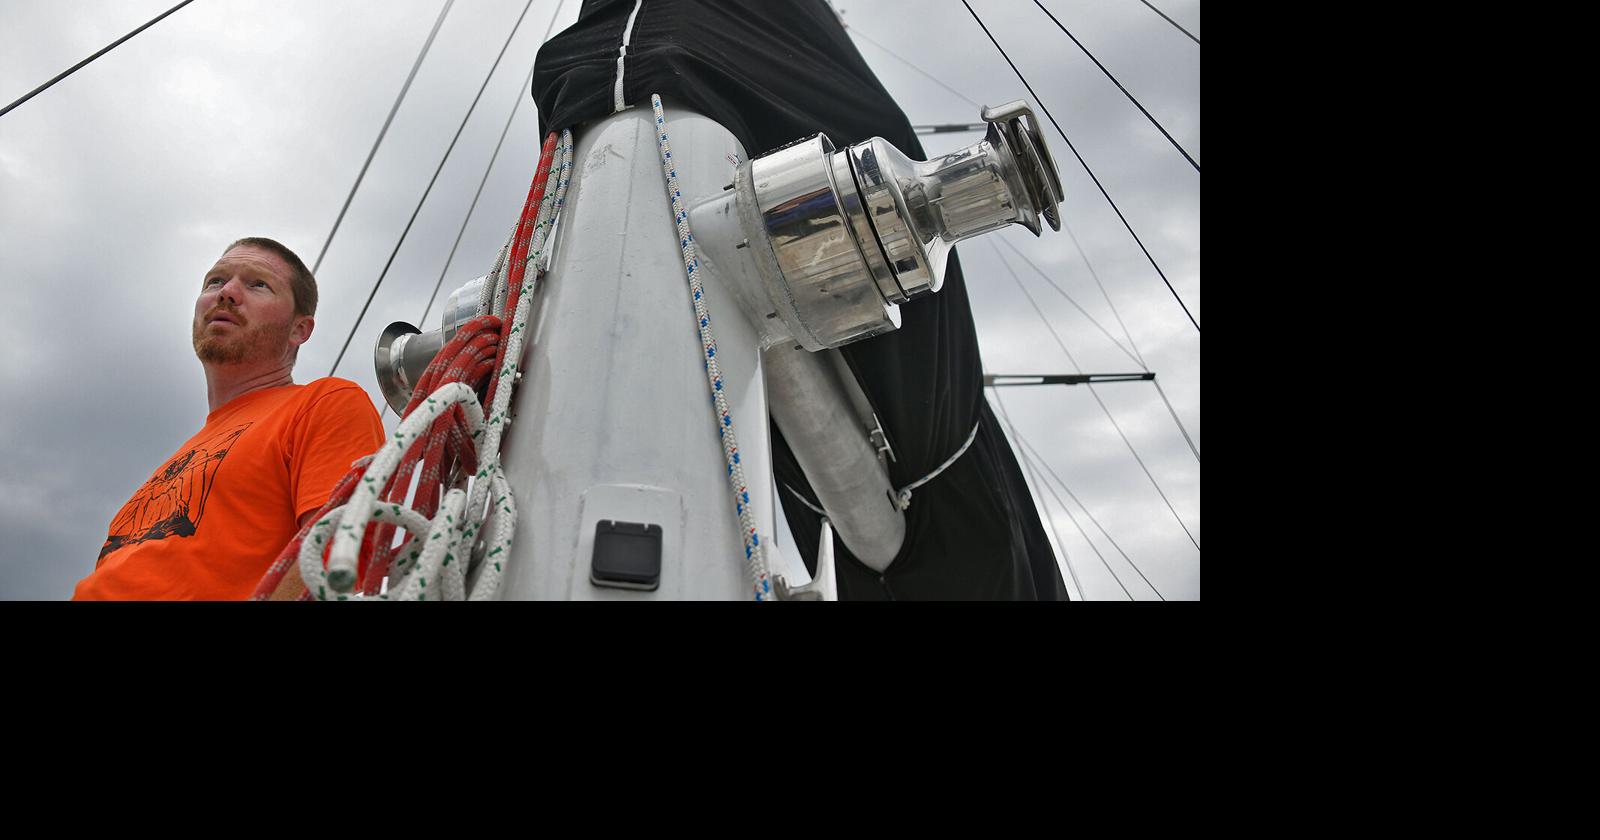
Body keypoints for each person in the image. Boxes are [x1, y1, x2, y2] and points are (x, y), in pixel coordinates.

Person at [73, 237, 385, 600]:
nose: (228, 293)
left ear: (299, 329)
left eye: (258, 284)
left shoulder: (325, 403)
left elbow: (334, 566)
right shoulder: (179, 459)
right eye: (215, 281)